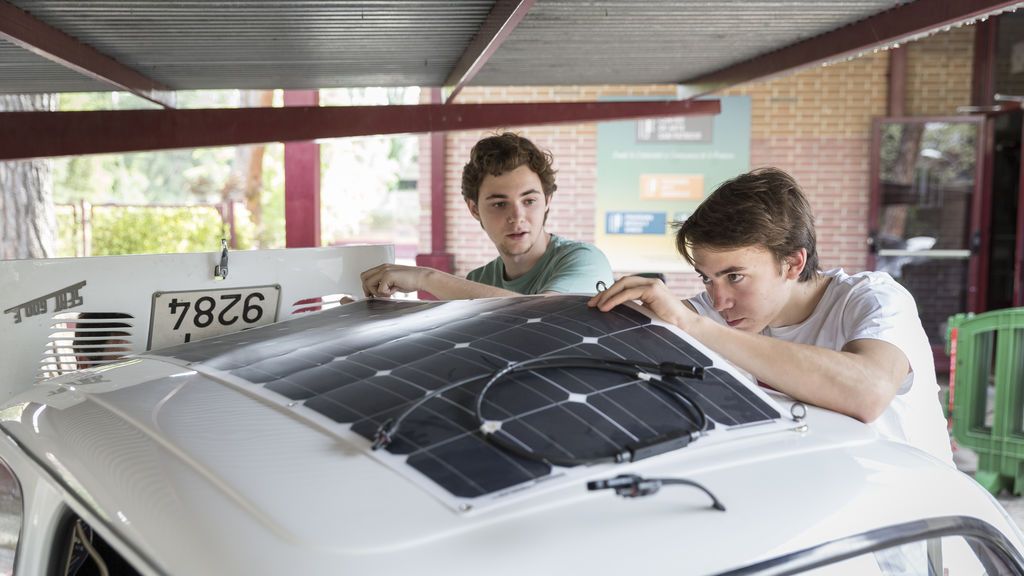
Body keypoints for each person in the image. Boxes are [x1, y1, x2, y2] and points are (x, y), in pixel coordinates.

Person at [588, 167, 953, 465]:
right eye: (707, 278)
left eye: (735, 277)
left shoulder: (874, 299)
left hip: (914, 530)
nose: (719, 300)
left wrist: (695, 326)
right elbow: (622, 333)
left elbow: (867, 393)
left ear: (793, 262)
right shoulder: (709, 315)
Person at [361, 132, 613, 299]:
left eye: (529, 201)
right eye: (499, 204)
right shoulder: (479, 280)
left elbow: (544, 317)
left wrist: (426, 277)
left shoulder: (584, 261)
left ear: (547, 201)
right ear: (473, 209)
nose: (517, 216)